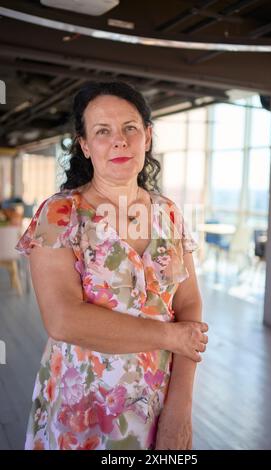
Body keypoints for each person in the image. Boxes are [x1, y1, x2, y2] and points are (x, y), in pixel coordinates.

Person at [15, 81, 208, 451]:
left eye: (129, 129)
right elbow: (63, 320)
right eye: (103, 131)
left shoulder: (168, 213)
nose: (119, 141)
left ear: (147, 137)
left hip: (158, 401)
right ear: (85, 145)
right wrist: (170, 336)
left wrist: (180, 406)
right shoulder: (60, 214)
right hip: (83, 409)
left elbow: (189, 306)